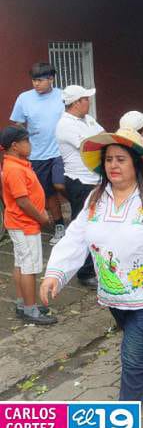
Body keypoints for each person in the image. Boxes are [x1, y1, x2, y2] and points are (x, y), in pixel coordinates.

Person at [41, 127, 143, 401]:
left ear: (136, 162)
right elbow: (76, 237)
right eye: (109, 159)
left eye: (120, 159)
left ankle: (123, 423)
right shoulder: (97, 197)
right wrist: (56, 273)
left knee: (133, 358)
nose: (113, 165)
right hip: (114, 295)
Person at [1, 126, 56, 325]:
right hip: (24, 224)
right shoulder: (14, 169)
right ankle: (30, 309)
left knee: (21, 264)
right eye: (27, 141)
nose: (30, 145)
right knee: (29, 268)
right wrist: (41, 217)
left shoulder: (18, 163)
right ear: (15, 146)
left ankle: (23, 301)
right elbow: (23, 201)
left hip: (21, 224)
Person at [10, 62, 67, 245]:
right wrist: (23, 142)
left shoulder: (63, 96)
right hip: (37, 154)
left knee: (61, 184)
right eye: (34, 80)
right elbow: (17, 125)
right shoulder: (24, 98)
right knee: (48, 193)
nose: (36, 84)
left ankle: (80, 214)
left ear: (51, 79)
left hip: (61, 151)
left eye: (40, 80)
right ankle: (59, 225)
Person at [55, 85, 104, 288]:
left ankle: (94, 267)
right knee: (83, 227)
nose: (89, 102)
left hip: (94, 180)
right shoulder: (66, 125)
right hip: (80, 183)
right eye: (86, 99)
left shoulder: (87, 119)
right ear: (76, 103)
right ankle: (84, 273)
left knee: (96, 226)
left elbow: (103, 136)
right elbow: (92, 147)